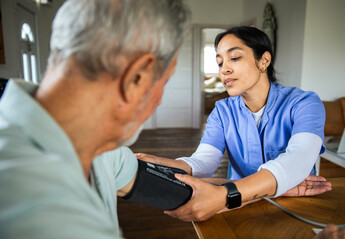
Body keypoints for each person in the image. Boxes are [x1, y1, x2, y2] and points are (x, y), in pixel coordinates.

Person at [0, 0, 191, 239]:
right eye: (166, 81)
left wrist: (234, 193)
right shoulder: (44, 217)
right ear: (137, 79)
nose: (160, 100)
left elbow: (151, 182)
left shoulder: (95, 144)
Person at [136, 26, 332, 221]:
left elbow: (297, 161)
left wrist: (227, 194)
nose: (224, 69)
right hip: (240, 205)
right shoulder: (222, 111)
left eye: (235, 58)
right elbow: (204, 162)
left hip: (296, 204)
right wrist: (163, 163)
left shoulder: (304, 104)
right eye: (220, 63)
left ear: (264, 60)